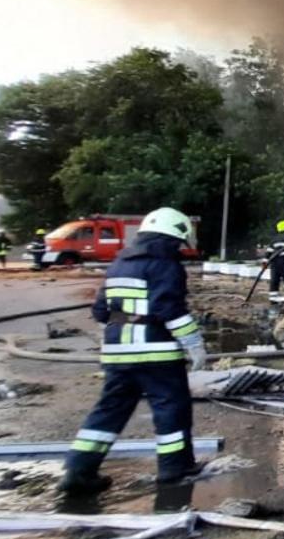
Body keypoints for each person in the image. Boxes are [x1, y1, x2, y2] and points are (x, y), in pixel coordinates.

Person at [59, 207, 205, 494]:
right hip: (157, 353)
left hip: (116, 353)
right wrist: (193, 343)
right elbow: (169, 308)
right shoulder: (166, 264)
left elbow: (101, 312)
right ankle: (174, 467)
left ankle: (79, 470)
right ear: (174, 237)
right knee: (170, 407)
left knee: (109, 411)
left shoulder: (119, 263)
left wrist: (131, 316)